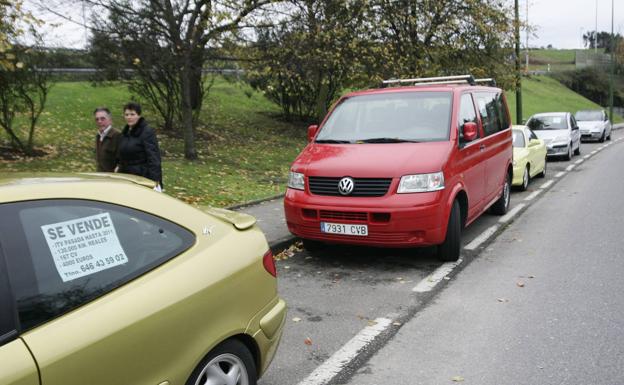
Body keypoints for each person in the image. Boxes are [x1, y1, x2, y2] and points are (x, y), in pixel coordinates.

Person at [117, 102, 163, 189]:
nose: (129, 117)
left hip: (142, 177)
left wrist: (155, 180)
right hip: (126, 176)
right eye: (126, 115)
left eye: (132, 114)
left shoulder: (147, 132)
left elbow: (153, 157)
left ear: (139, 115)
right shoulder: (125, 133)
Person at [94, 107, 121, 172]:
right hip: (101, 177)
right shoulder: (98, 135)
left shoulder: (117, 135)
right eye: (97, 119)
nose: (99, 121)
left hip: (112, 179)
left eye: (102, 119)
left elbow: (122, 160)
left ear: (110, 120)